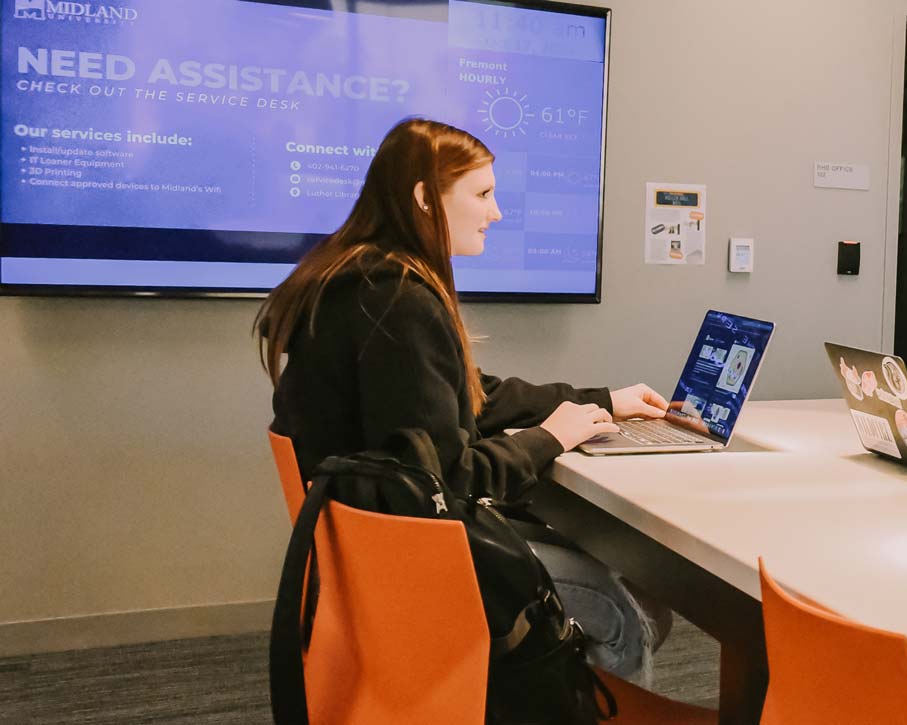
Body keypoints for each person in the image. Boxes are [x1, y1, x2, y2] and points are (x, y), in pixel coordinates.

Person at [256, 118, 669, 681]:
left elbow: (469, 395)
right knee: (625, 610)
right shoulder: (397, 299)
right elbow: (450, 479)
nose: (496, 213)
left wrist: (599, 402)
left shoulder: (358, 277)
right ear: (426, 198)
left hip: (369, 541)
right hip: (415, 557)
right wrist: (553, 438)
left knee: (620, 586)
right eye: (482, 194)